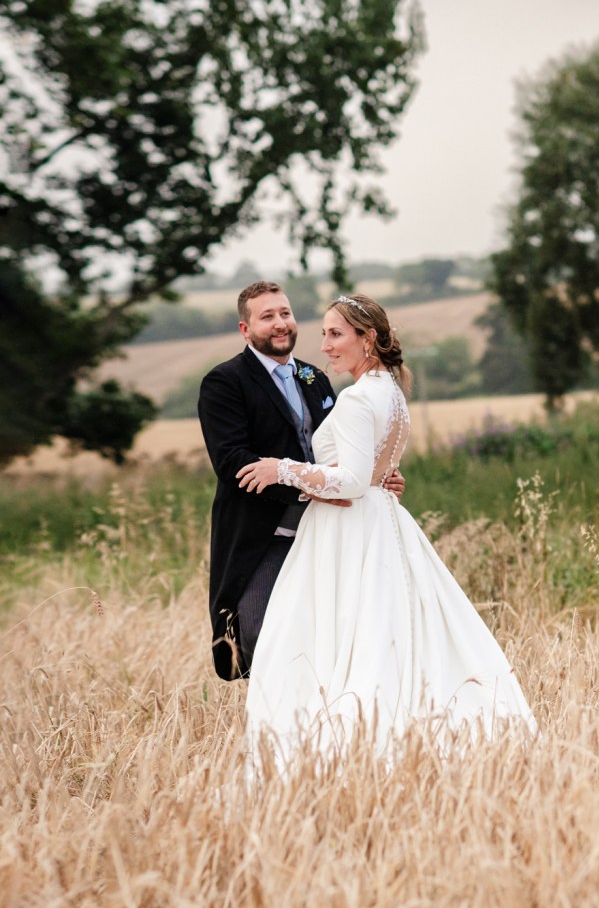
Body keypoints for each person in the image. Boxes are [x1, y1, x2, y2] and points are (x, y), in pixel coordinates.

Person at [237, 293, 537, 761]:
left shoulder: (358, 398)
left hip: (349, 528)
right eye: (324, 335)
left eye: (336, 334)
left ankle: (351, 745)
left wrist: (283, 469)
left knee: (339, 636)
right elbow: (371, 473)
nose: (327, 346)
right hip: (381, 520)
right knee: (384, 629)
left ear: (368, 338)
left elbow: (353, 481)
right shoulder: (392, 392)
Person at [198, 281, 404, 680]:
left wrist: (379, 477)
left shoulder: (315, 378)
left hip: (328, 533)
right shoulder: (225, 382)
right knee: (258, 634)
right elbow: (232, 462)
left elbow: (345, 453)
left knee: (328, 635)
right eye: (267, 316)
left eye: (285, 313)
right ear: (245, 329)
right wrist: (309, 487)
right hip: (265, 535)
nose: (280, 324)